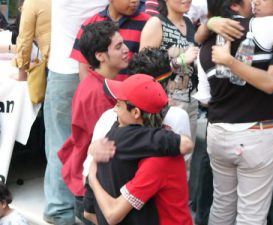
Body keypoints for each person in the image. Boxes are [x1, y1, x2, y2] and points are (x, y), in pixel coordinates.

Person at [210, 1, 273, 224]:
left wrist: (229, 61)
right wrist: (211, 23)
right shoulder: (248, 29)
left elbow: (270, 83)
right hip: (249, 133)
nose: (255, 2)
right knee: (236, 208)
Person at [196, 0, 273, 224]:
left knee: (222, 205)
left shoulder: (204, 47)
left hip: (218, 133)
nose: (254, 3)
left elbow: (204, 98)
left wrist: (208, 24)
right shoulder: (259, 27)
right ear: (234, 5)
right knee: (251, 215)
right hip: (255, 133)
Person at [87, 74, 193, 225]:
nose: (114, 110)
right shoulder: (139, 144)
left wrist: (92, 179)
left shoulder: (157, 162)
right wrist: (93, 147)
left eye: (118, 104)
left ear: (136, 113)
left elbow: (112, 215)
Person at [43, 0, 108, 224]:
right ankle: (86, 208)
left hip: (63, 71)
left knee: (59, 143)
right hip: (97, 72)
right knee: (91, 144)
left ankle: (59, 209)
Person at [57, 20, 129, 224]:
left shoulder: (102, 84)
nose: (125, 50)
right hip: (94, 186)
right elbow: (109, 145)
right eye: (118, 46)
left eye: (123, 44)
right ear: (99, 56)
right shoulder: (96, 94)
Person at [139, 0, 199, 145]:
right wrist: (180, 61)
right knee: (167, 155)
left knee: (187, 157)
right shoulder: (156, 23)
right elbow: (143, 68)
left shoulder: (189, 22)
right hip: (166, 103)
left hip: (191, 101)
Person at [70, 0, 150, 80]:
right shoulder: (91, 24)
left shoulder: (148, 24)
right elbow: (85, 69)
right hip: (101, 90)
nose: (134, 1)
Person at [13, 0, 51, 81]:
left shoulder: (32, 2)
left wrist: (22, 74)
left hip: (54, 65)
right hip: (80, 60)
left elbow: (24, 40)